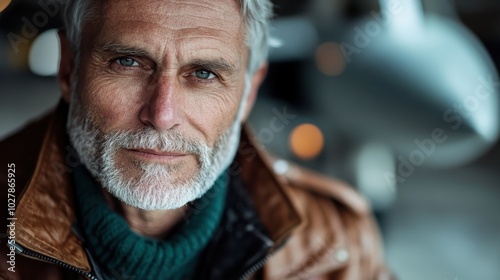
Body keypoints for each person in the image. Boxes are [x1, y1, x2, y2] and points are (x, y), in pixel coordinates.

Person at [0, 0, 392, 279]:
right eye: (129, 62)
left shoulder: (336, 242)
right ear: (69, 69)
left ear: (249, 92)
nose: (162, 114)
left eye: (204, 73)